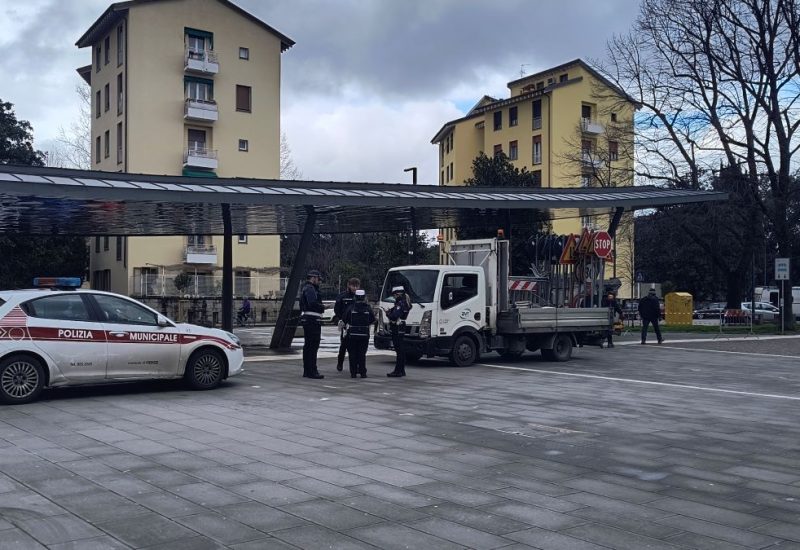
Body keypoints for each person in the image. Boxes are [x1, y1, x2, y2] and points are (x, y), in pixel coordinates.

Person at [343, 289, 375, 378]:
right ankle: (362, 372)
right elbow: (372, 319)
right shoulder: (368, 308)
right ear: (364, 297)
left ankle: (353, 372)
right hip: (364, 334)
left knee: (352, 354)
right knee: (362, 353)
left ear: (355, 297)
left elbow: (345, 318)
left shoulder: (351, 307)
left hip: (352, 334)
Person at [300, 269, 325, 379]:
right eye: (318, 279)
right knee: (313, 346)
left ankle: (308, 370)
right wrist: (323, 307)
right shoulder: (310, 289)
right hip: (312, 320)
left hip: (309, 319)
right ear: (313, 278)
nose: (319, 281)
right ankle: (312, 371)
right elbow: (313, 303)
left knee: (309, 346)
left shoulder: (306, 288)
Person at [334, 278, 360, 372]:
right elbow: (337, 309)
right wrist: (341, 320)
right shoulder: (342, 296)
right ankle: (340, 363)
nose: (355, 288)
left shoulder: (359, 297)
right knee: (344, 346)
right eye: (353, 285)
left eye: (357, 286)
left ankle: (355, 365)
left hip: (356, 324)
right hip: (346, 324)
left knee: (355, 347)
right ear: (348, 285)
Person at [386, 286, 411, 377]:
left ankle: (398, 370)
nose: (394, 297)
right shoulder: (405, 302)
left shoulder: (400, 303)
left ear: (397, 294)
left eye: (394, 295)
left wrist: (389, 314)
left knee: (399, 350)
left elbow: (394, 316)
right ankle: (401, 370)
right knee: (401, 350)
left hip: (397, 327)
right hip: (401, 326)